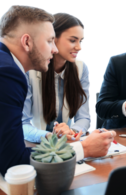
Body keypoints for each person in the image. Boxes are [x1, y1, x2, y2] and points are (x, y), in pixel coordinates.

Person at [0, 4, 115, 186]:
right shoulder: (5, 73)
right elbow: (15, 164)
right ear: (27, 42)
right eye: (49, 41)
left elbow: (4, 146)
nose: (53, 50)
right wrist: (83, 148)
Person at [22, 11, 90, 143]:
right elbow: (22, 124)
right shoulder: (29, 69)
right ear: (53, 38)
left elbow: (84, 117)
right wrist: (50, 136)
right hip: (35, 144)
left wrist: (72, 131)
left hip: (67, 142)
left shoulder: (81, 67)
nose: (79, 47)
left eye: (81, 41)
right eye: (72, 40)